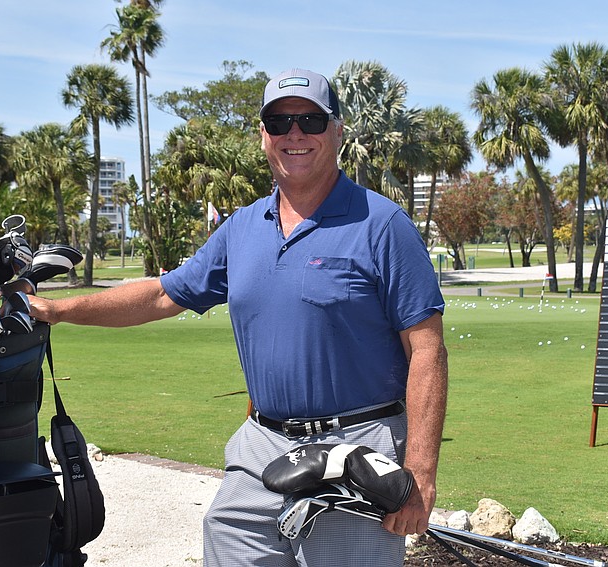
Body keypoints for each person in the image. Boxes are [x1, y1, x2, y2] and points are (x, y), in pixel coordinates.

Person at [27, 68, 448, 567]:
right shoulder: (243, 227)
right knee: (226, 533)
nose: (295, 134)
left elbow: (427, 350)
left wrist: (419, 471)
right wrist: (55, 309)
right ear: (263, 135)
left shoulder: (382, 225)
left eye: (311, 120)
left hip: (356, 448)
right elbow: (163, 295)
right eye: (279, 121)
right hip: (263, 445)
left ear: (336, 131)